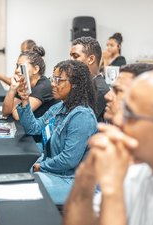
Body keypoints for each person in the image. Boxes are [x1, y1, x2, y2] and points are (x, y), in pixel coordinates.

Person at [63, 70, 153, 225]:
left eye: (131, 116)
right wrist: (86, 178)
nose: (119, 121)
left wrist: (112, 190)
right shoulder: (141, 165)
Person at [16, 60, 98, 205]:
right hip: (56, 173)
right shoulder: (59, 107)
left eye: (58, 80)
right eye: (52, 78)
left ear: (75, 85)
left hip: (72, 181)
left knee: (25, 190)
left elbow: (68, 160)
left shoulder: (82, 116)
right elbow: (33, 128)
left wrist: (41, 166)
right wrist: (24, 101)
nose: (53, 84)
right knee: (20, 175)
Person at [2, 45, 56, 120]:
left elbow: (18, 115)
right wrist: (12, 88)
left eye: (21, 67)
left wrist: (14, 106)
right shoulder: (24, 83)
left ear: (36, 69)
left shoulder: (43, 86)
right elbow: (5, 112)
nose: (17, 70)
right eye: (17, 66)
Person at [70, 36, 109, 122]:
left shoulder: (100, 90)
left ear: (91, 59)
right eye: (71, 56)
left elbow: (79, 121)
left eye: (75, 56)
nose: (70, 60)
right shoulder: (84, 84)